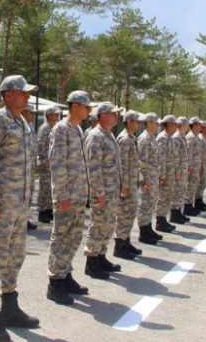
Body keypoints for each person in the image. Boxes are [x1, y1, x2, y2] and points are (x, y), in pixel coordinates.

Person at [0, 75, 40, 342]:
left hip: (21, 203)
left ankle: (9, 306)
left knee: (16, 256)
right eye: (22, 92)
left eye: (27, 92)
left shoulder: (24, 123)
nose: (27, 96)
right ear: (7, 95)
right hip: (2, 204)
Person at [45, 91, 92, 306]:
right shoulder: (61, 130)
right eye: (85, 106)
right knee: (61, 238)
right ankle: (55, 283)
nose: (88, 110)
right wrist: (62, 194)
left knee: (73, 238)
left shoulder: (78, 130)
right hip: (67, 196)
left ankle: (66, 274)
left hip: (79, 194)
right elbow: (57, 164)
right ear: (75, 106)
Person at [84, 102, 124, 280]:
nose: (116, 116)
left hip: (112, 189)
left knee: (107, 225)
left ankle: (101, 256)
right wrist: (98, 192)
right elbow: (93, 166)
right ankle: (91, 262)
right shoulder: (95, 136)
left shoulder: (109, 135)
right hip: (102, 191)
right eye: (113, 113)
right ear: (103, 116)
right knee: (98, 226)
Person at [114, 110, 144, 260]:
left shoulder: (131, 138)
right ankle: (119, 245)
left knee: (130, 214)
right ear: (129, 122)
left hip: (132, 183)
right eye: (137, 121)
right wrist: (124, 186)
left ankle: (126, 241)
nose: (139, 124)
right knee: (123, 215)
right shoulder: (124, 139)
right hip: (126, 185)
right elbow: (122, 165)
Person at [136, 113, 164, 245]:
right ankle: (143, 232)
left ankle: (148, 228)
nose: (158, 125)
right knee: (145, 204)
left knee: (151, 204)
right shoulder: (144, 139)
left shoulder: (152, 138)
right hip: (148, 178)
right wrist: (146, 179)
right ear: (149, 123)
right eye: (156, 123)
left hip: (153, 177)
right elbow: (142, 162)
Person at [36, 105, 61, 223]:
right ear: (49, 115)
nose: (57, 116)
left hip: (54, 163)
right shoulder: (44, 128)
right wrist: (43, 160)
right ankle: (42, 211)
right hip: (47, 163)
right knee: (44, 188)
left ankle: (50, 210)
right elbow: (40, 145)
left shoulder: (56, 127)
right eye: (55, 114)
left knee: (52, 188)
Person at [155, 115, 178, 234]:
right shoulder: (162, 138)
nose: (176, 126)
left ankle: (163, 218)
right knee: (162, 197)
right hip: (165, 174)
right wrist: (162, 175)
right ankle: (160, 221)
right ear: (168, 124)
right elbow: (161, 159)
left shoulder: (169, 137)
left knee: (168, 196)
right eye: (174, 124)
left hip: (170, 173)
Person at [170, 116, 194, 225]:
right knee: (177, 192)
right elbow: (175, 155)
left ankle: (178, 211)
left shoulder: (182, 136)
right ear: (183, 125)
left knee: (182, 191)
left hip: (183, 169)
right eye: (187, 124)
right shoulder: (176, 137)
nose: (188, 126)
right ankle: (174, 214)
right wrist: (177, 171)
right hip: (179, 170)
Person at [20, 105, 39, 230]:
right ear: (24, 112)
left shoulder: (29, 127)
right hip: (20, 170)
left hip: (29, 168)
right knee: (20, 196)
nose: (33, 115)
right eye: (31, 113)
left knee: (28, 195)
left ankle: (24, 219)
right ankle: (20, 220)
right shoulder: (19, 125)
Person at [185, 117, 204, 214]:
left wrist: (199, 167)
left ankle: (190, 205)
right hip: (192, 168)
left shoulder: (196, 136)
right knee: (190, 186)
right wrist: (190, 167)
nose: (201, 126)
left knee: (194, 186)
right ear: (194, 125)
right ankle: (187, 207)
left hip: (196, 167)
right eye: (199, 124)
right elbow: (189, 153)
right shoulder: (190, 137)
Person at [195, 121, 206, 210]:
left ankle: (199, 200)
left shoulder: (205, 139)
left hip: (205, 165)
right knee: (200, 184)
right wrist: (200, 167)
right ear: (202, 129)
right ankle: (196, 202)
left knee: (204, 183)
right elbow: (199, 154)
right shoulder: (200, 139)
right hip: (201, 166)